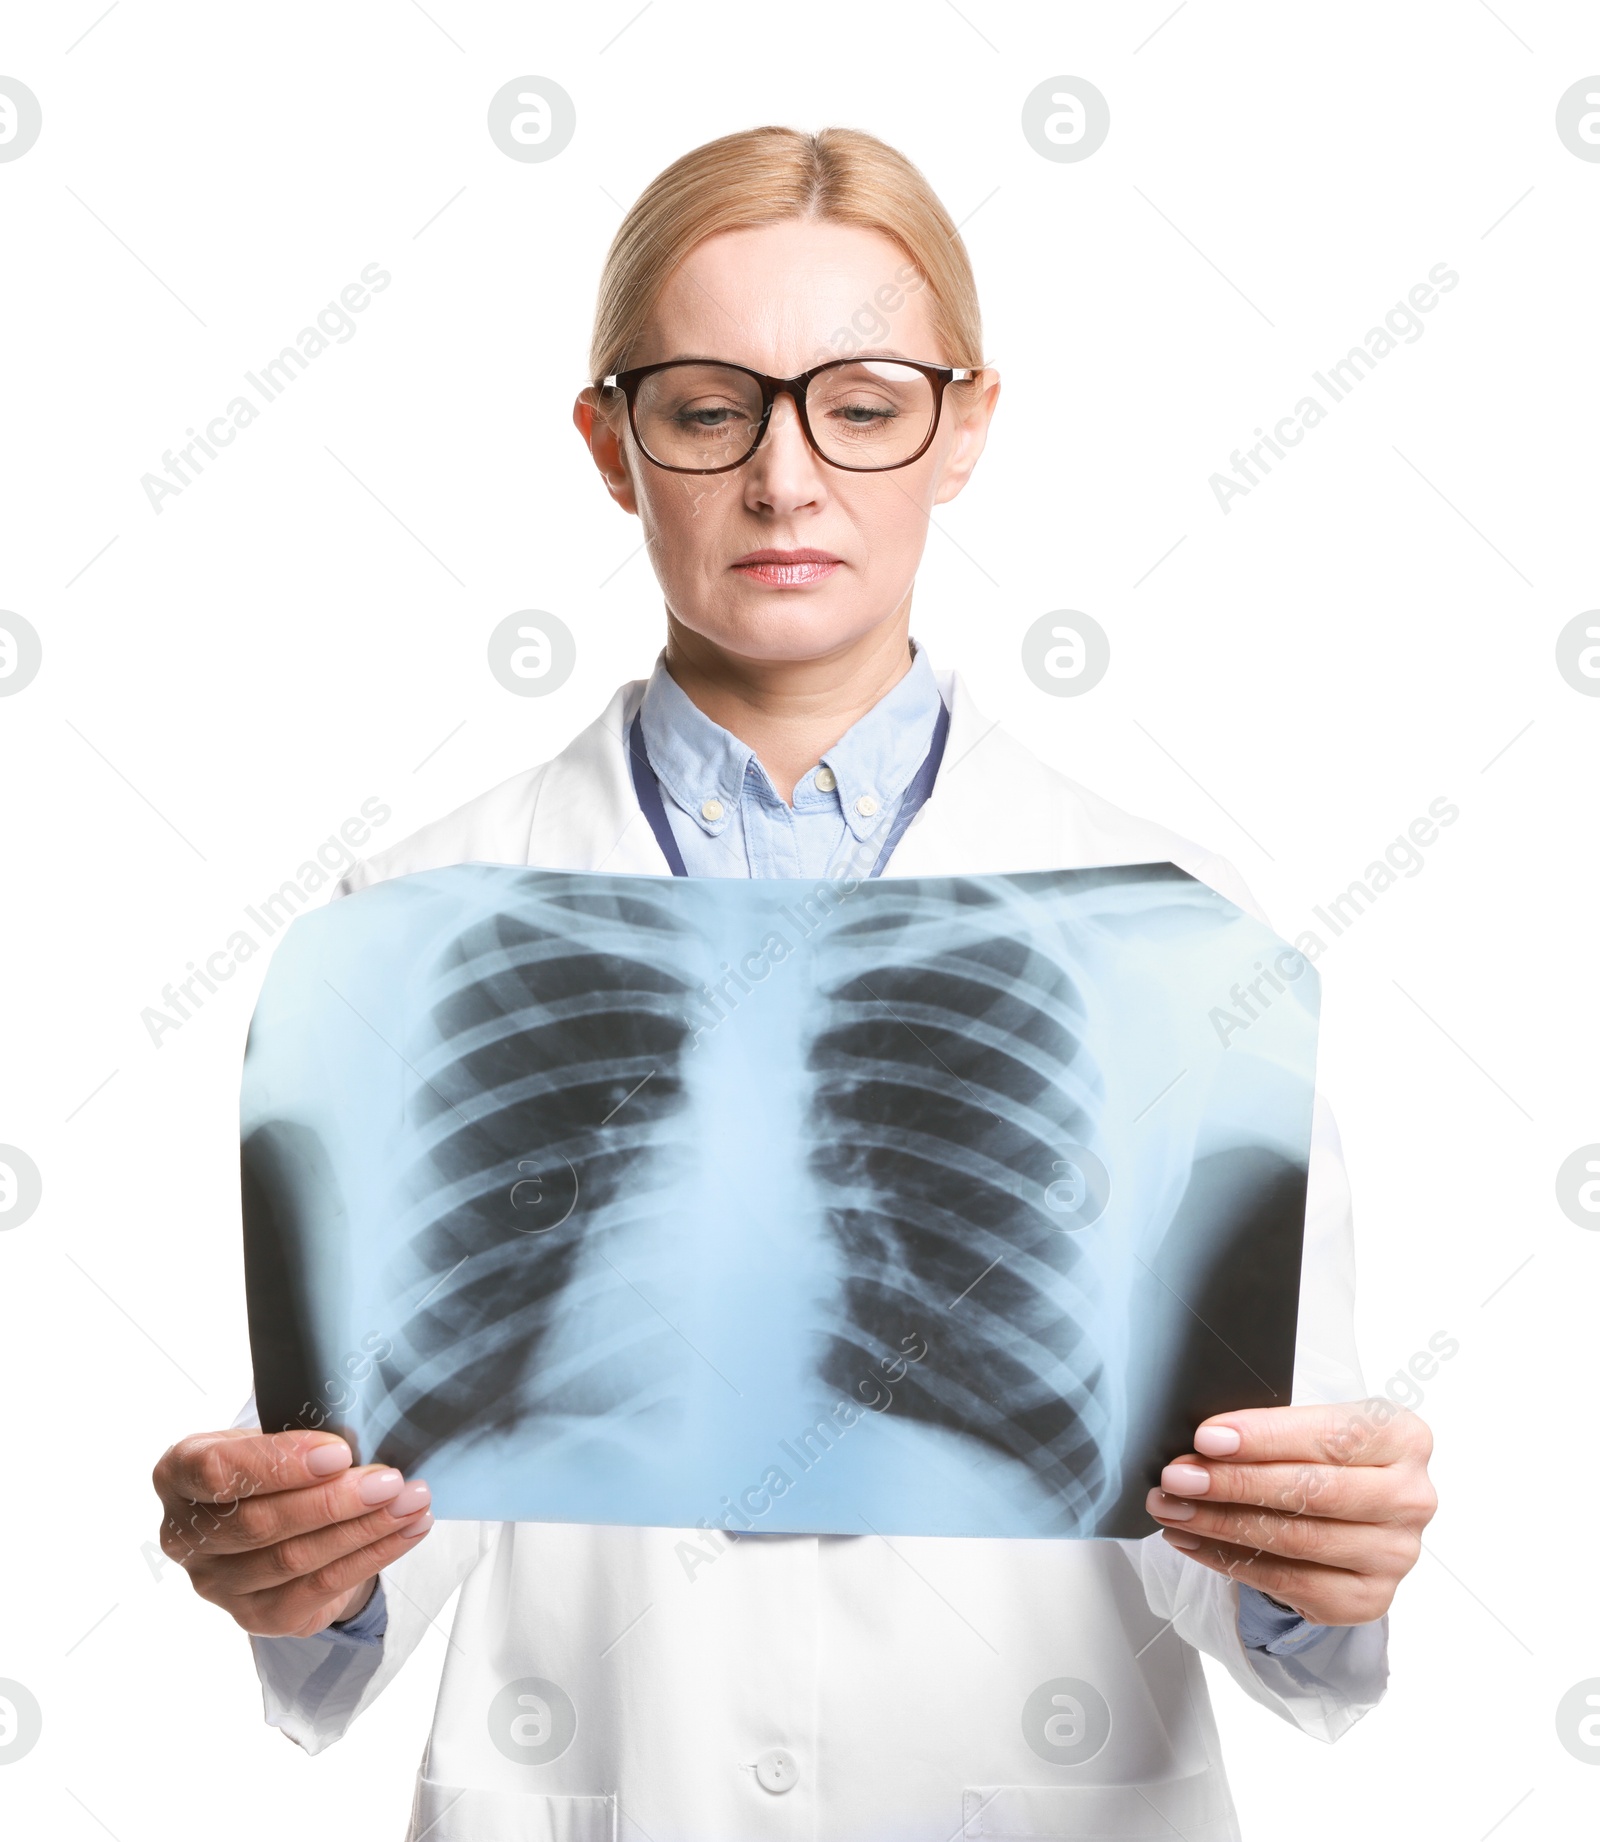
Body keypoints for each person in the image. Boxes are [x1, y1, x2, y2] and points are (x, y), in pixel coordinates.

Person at [152, 126, 1436, 1842]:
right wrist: (298, 1558)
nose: (787, 477)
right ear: (612, 445)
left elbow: (1233, 1520)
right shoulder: (418, 927)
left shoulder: (1173, 935)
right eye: (708, 406)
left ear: (965, 426)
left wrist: (1314, 1557)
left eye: (865, 399)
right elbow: (399, 1503)